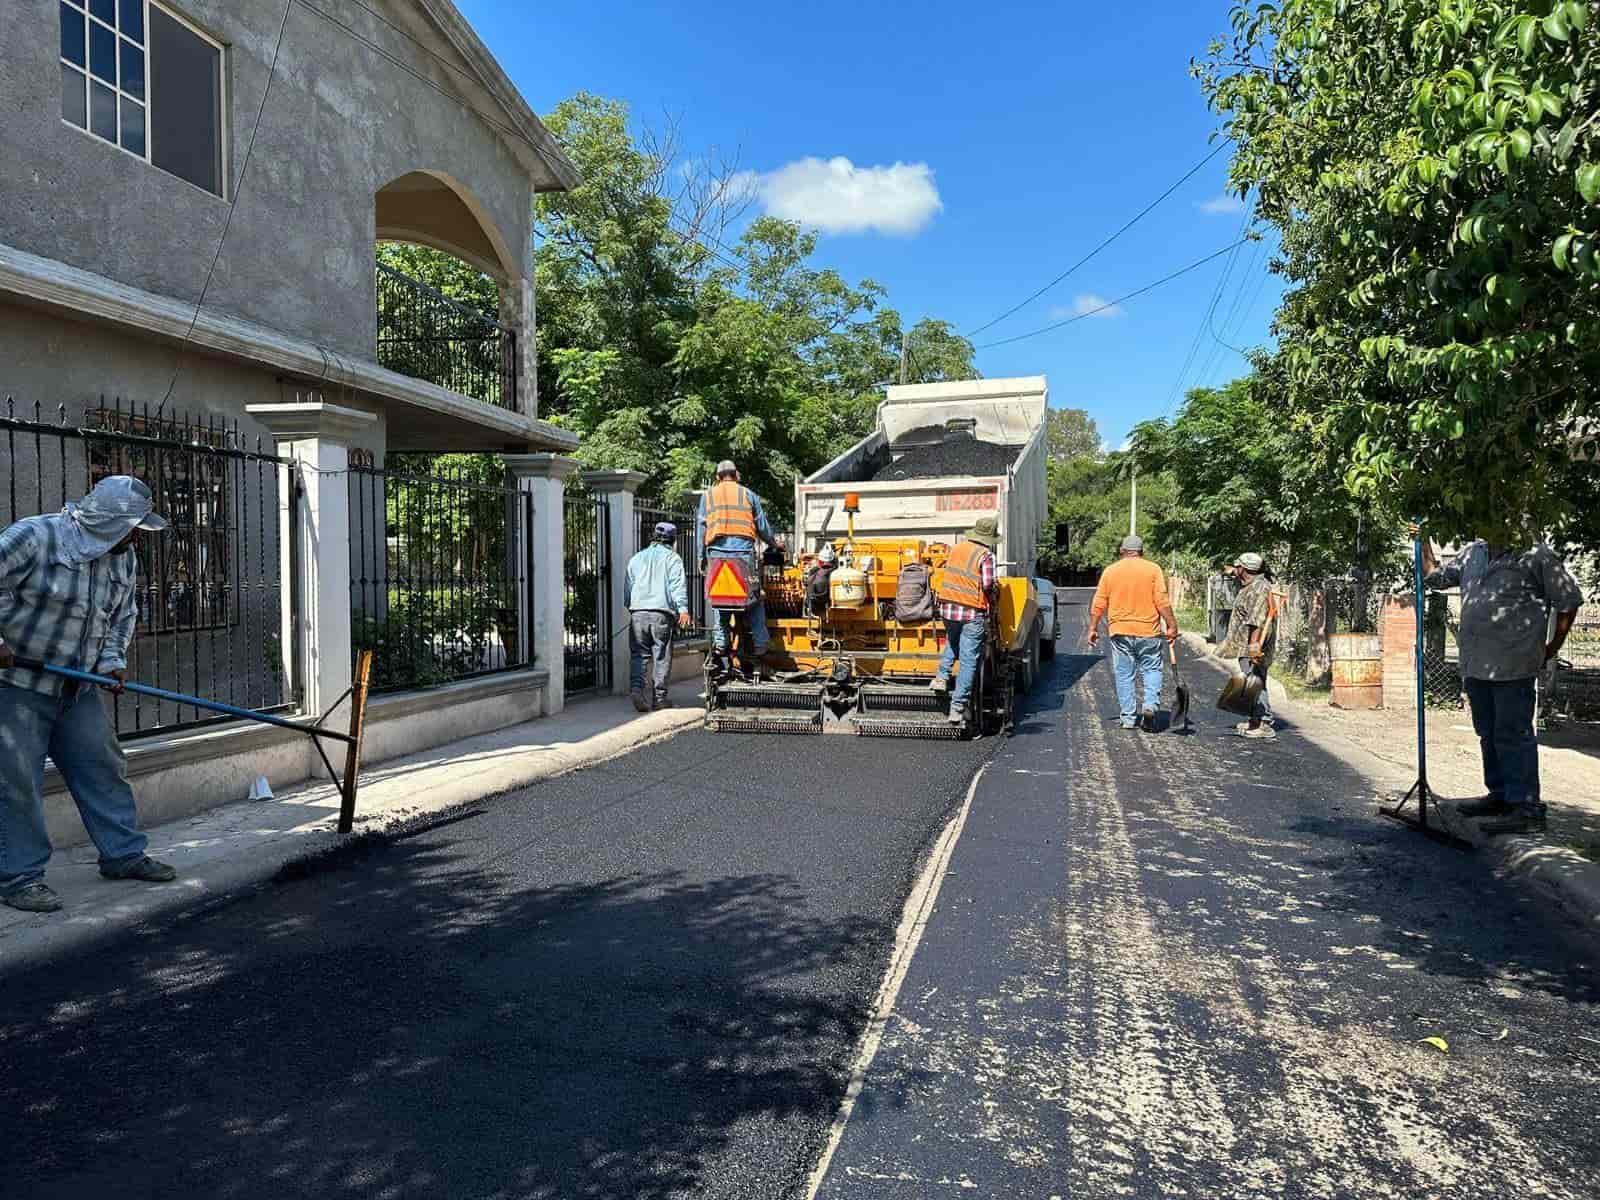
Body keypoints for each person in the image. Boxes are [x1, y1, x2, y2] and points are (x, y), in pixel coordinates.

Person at [0, 476, 179, 914]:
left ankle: (123, 855)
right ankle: (19, 877)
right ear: (108, 521)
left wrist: (111, 662)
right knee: (17, 783)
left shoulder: (123, 557)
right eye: (132, 526)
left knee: (103, 768)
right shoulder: (34, 537)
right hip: (18, 686)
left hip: (76, 686)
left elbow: (123, 615)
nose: (137, 536)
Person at [1421, 533, 1583, 835]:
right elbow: (1434, 578)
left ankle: (1527, 808)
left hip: (1515, 664)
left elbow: (1569, 600)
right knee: (1488, 733)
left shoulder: (1535, 554)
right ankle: (1500, 795)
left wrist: (1553, 647)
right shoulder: (1473, 554)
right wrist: (1422, 542)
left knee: (1513, 733)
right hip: (1477, 665)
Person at [1087, 535, 1180, 731]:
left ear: (1122, 551)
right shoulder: (1153, 569)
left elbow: (1099, 602)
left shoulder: (1111, 571)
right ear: (1141, 552)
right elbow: (1162, 601)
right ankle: (1149, 707)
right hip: (1148, 631)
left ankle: (1128, 718)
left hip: (1120, 631)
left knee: (1124, 674)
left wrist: (1093, 628)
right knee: (1152, 669)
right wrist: (1172, 625)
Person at [696, 461, 780, 676]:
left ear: (718, 477)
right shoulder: (748, 495)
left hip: (716, 554)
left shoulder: (708, 496)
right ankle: (761, 644)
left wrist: (700, 557)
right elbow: (761, 526)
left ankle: (721, 644)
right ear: (736, 475)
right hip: (743, 554)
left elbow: (701, 529)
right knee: (753, 599)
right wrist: (774, 544)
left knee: (720, 600)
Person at [930, 517, 1000, 727]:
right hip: (971, 612)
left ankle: (941, 678)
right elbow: (987, 585)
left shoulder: (957, 549)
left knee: (952, 642)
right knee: (969, 660)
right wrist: (995, 590)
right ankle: (958, 707)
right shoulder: (986, 555)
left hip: (948, 609)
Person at [624, 521, 693, 713]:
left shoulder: (636, 558)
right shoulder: (673, 559)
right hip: (661, 614)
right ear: (672, 540)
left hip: (637, 613)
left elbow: (628, 587)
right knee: (661, 655)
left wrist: (631, 606)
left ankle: (637, 690)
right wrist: (683, 610)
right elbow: (677, 586)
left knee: (639, 654)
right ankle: (659, 698)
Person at [1216, 552, 1277, 739]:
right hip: (1245, 643)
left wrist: (1253, 646)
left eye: (1238, 567)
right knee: (1252, 681)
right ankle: (1255, 719)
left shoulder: (1259, 588)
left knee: (1256, 681)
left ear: (1244, 568)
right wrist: (1229, 570)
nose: (1236, 569)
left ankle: (1265, 722)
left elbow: (1256, 620)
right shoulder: (1251, 584)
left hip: (1254, 645)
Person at [803, 543, 837, 616]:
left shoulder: (813, 573)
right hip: (827, 603)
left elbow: (806, 584)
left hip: (814, 605)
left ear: (820, 561)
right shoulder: (835, 572)